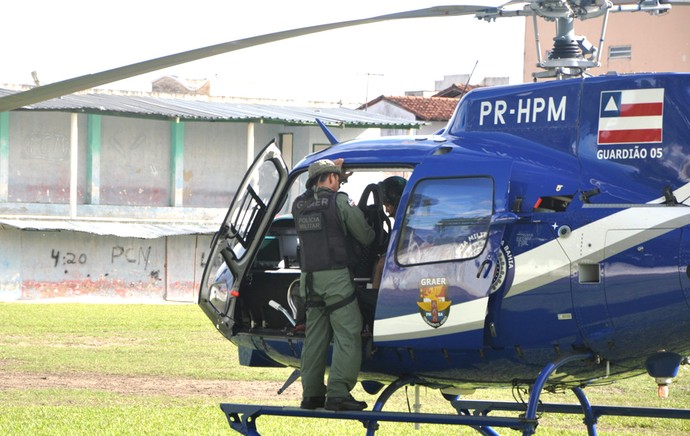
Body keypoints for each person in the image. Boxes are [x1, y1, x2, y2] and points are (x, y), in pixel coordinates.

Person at [292, 158, 375, 411]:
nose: (339, 182)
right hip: (335, 278)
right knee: (348, 331)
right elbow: (366, 236)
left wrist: (331, 175)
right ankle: (338, 393)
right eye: (337, 178)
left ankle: (312, 395)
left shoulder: (300, 204)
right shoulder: (339, 201)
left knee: (315, 336)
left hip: (309, 279)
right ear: (330, 177)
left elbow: (316, 194)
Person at [372, 176, 407, 289]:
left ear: (397, 202)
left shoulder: (407, 223)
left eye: (387, 205)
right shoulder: (403, 222)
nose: (387, 211)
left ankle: (374, 300)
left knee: (382, 264)